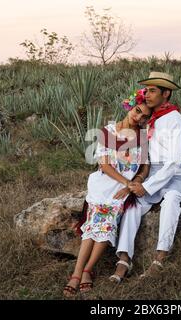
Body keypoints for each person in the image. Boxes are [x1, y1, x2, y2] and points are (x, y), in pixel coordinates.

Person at [63, 89, 152, 297]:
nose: (138, 117)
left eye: (144, 116)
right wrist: (127, 183)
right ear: (130, 107)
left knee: (107, 226)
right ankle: (77, 273)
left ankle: (87, 270)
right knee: (92, 228)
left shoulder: (142, 137)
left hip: (123, 188)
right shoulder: (108, 131)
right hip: (104, 184)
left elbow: (145, 167)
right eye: (137, 111)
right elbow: (104, 165)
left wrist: (135, 181)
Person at [110, 72, 181, 282]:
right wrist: (139, 180)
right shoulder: (151, 119)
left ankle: (159, 259)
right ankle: (124, 259)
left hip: (177, 175)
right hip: (152, 174)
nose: (147, 95)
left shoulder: (177, 121)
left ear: (166, 94)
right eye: (146, 90)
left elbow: (175, 161)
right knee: (133, 205)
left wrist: (147, 187)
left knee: (172, 199)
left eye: (153, 91)